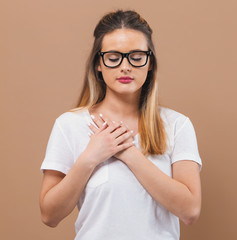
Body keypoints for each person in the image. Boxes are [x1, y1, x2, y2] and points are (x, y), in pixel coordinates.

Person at [39, 9, 202, 240]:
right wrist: (89, 158)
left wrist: (128, 152)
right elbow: (49, 215)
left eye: (136, 57)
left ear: (150, 63)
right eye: (113, 58)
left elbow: (190, 211)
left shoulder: (177, 125)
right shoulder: (69, 125)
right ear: (98, 63)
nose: (125, 67)